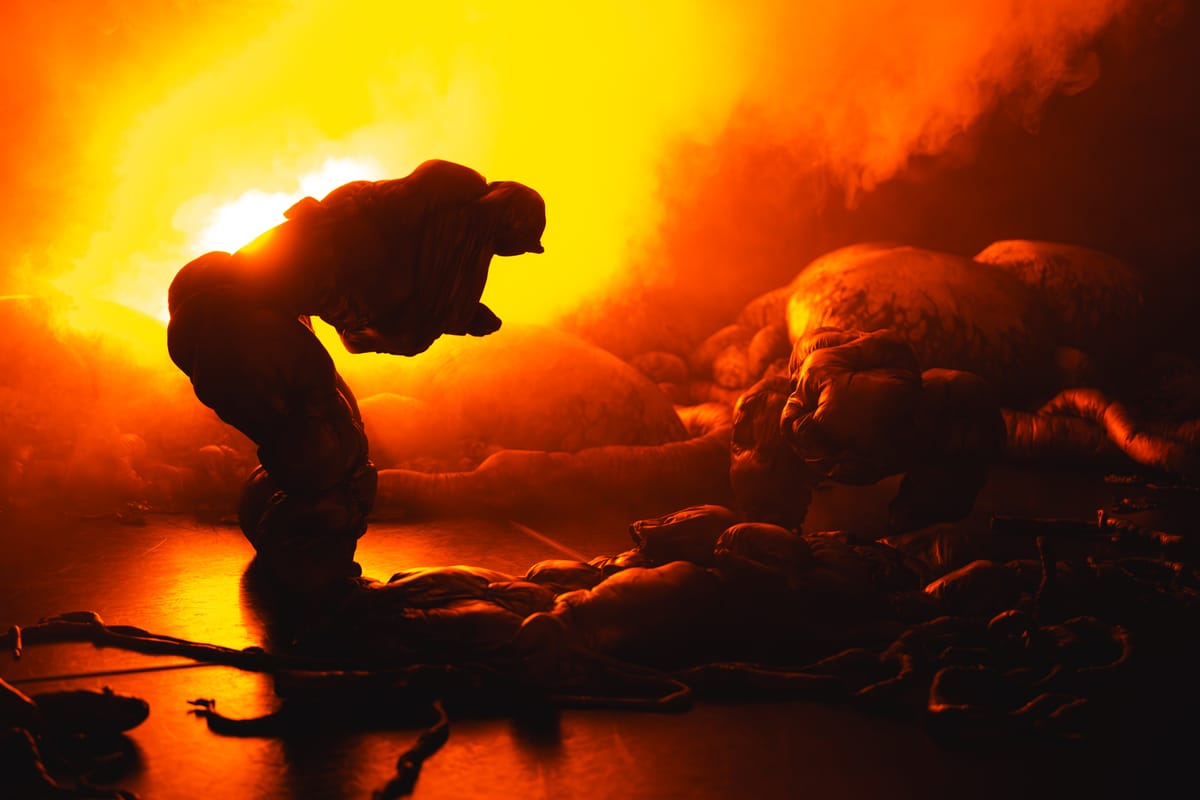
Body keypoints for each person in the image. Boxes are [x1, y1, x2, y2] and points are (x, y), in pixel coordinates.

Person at [166, 159, 546, 592]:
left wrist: (459, 314)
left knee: (339, 450)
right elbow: (381, 325)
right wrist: (457, 316)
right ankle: (312, 572)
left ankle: (296, 543)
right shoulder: (384, 249)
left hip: (236, 311)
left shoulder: (384, 218)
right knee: (335, 458)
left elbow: (379, 313)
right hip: (233, 323)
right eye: (494, 247)